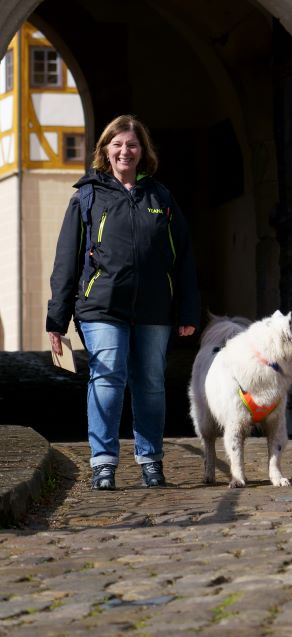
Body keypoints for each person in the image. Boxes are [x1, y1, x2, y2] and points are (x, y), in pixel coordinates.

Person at [46, 114, 200, 491]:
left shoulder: (160, 197)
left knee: (150, 382)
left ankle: (150, 459)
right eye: (117, 144)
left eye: (132, 145)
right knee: (108, 377)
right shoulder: (87, 196)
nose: (124, 151)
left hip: (154, 309)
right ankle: (103, 462)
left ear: (142, 151)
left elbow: (183, 257)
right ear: (105, 150)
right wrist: (57, 320)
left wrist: (188, 309)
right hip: (102, 306)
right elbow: (66, 260)